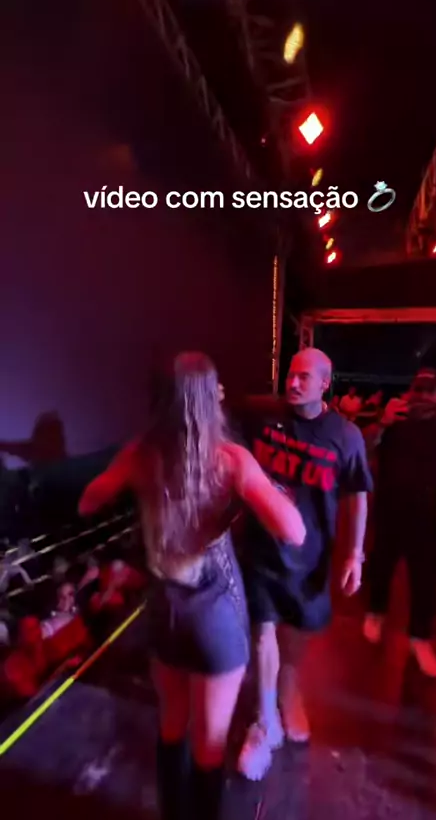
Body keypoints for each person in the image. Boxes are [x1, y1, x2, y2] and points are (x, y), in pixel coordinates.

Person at [78, 351, 305, 820]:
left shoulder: (140, 456)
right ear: (208, 399)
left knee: (171, 727)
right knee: (209, 744)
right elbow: (294, 531)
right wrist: (271, 494)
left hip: (163, 611)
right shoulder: (231, 461)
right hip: (214, 615)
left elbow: (88, 502)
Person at [236, 348, 373, 781]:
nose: (293, 384)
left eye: (303, 378)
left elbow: (357, 494)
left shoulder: (345, 436)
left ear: (324, 384)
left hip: (311, 558)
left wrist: (354, 553)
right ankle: (264, 720)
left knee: (296, 635)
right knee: (263, 633)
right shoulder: (263, 416)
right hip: (262, 550)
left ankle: (288, 690)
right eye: (290, 375)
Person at [363, 369, 436, 678]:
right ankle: (376, 613)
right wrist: (383, 423)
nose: (422, 395)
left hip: (427, 516)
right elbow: (364, 451)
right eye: (418, 388)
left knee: (425, 581)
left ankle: (419, 638)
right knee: (380, 567)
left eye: (429, 390)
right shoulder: (394, 419)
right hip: (389, 510)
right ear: (410, 390)